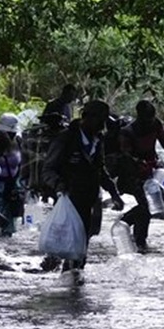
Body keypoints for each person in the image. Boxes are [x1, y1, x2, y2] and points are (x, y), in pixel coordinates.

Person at [41, 99, 122, 273]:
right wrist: (59, 186)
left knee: (81, 247)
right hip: (69, 200)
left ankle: (74, 287)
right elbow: (48, 169)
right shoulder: (66, 138)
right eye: (99, 120)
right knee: (63, 245)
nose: (102, 125)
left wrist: (114, 193)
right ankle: (60, 281)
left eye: (104, 120)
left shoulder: (98, 139)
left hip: (89, 200)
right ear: (86, 117)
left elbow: (100, 169)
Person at [116, 100, 164, 252]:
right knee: (145, 207)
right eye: (147, 119)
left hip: (152, 173)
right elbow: (125, 155)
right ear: (139, 116)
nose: (150, 121)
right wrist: (138, 162)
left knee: (153, 206)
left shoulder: (156, 124)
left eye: (152, 118)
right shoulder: (127, 132)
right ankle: (134, 234)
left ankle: (138, 238)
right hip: (133, 175)